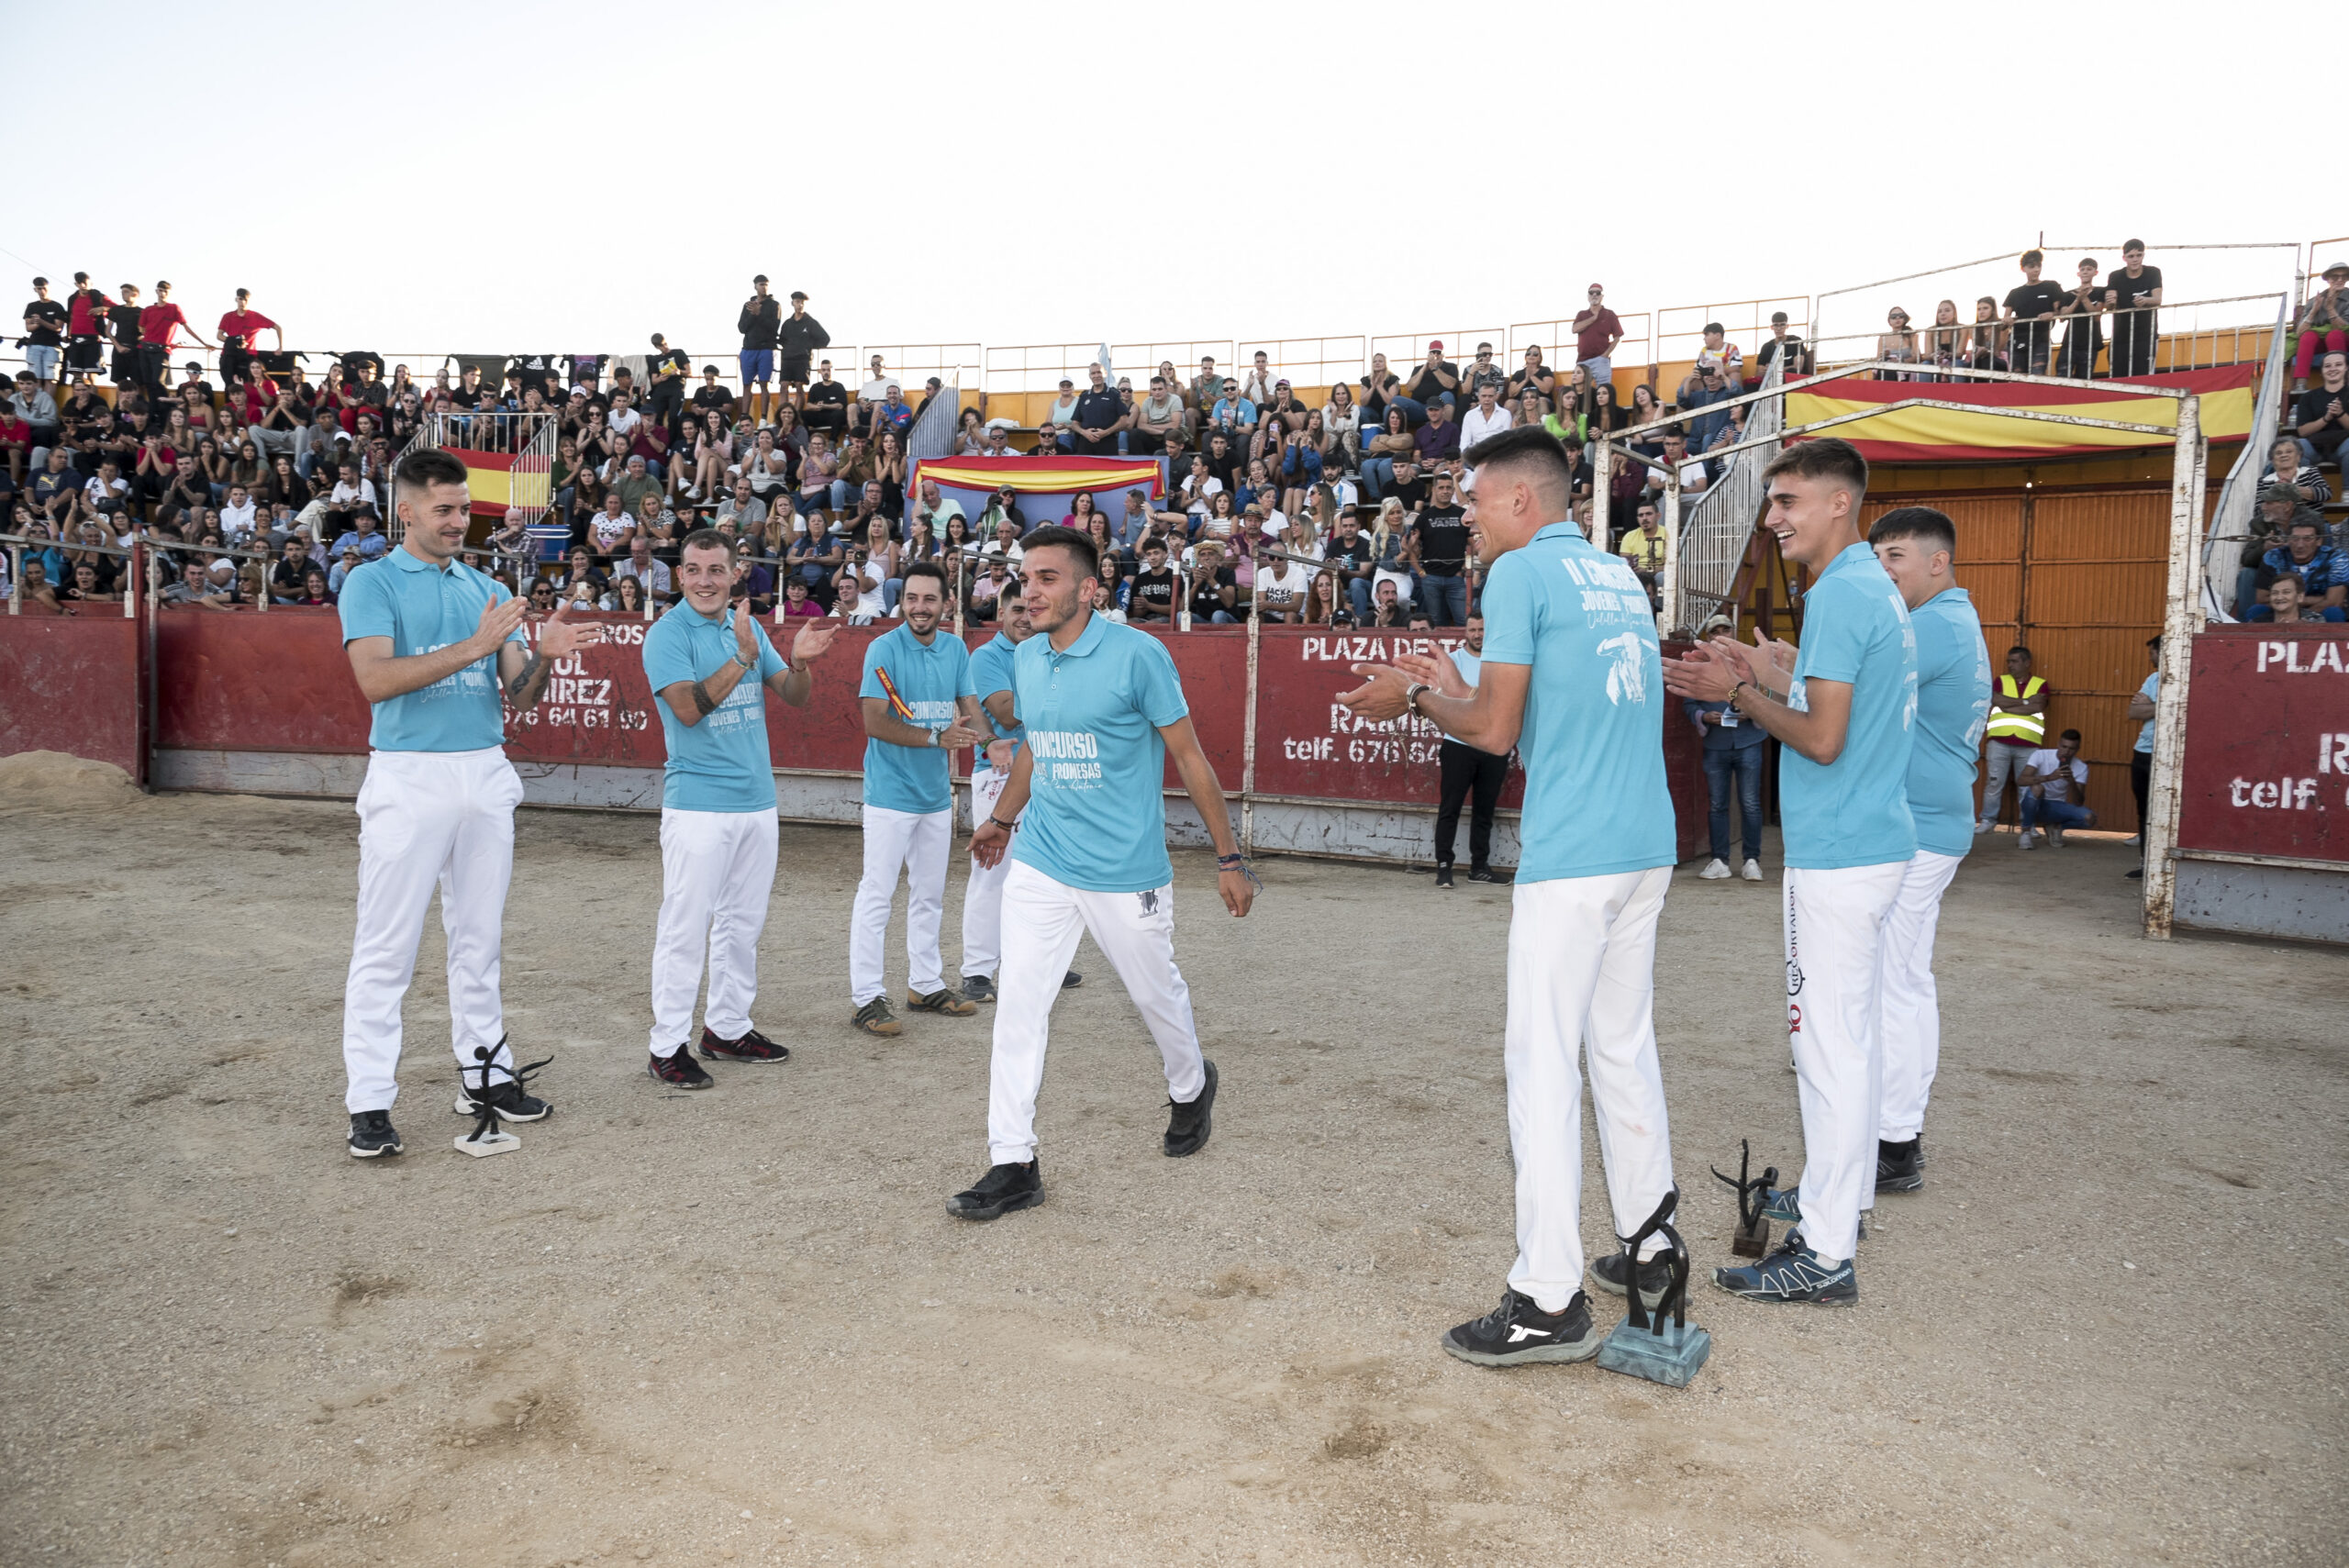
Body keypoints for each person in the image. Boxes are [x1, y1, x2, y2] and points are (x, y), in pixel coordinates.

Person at [1336, 426, 1679, 1364]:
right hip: (1643, 843)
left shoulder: (1521, 574)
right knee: (1620, 1049)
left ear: (1522, 499)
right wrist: (1460, 680)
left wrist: (1412, 699)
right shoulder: (1616, 577)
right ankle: (1652, 1246)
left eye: (1477, 502)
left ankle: (1545, 1296)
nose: (1467, 523)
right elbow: (1556, 701)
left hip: (1573, 857)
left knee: (1540, 1066)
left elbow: (1491, 733)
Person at [1662, 437, 1916, 1306]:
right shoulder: (1862, 589)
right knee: (1852, 1045)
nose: (1772, 519)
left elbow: (1821, 737)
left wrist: (1737, 695)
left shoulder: (1845, 592)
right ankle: (1833, 1208)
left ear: (1838, 503)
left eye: (1786, 501)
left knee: (1828, 1055)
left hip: (1842, 852)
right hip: (1869, 843)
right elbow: (1828, 702)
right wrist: (1763, 668)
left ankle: (1826, 1250)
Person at [950, 527, 1255, 1221]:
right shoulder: (1026, 658)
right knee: (1020, 1007)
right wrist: (1001, 819)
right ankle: (1013, 1161)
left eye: (1048, 578)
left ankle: (1189, 1085)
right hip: (1043, 859)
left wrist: (1229, 859)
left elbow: (1191, 757)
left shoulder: (1139, 656)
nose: (1030, 591)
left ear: (1089, 589)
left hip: (1125, 870)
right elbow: (1036, 749)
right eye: (1025, 577)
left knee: (1157, 997)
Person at [334, 448, 604, 1158]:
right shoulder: (371, 582)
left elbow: (520, 695)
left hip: (483, 770)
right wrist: (475, 643)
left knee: (479, 939)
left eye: (464, 509)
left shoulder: (482, 583)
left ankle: (485, 1075)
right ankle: (369, 1100)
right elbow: (375, 681)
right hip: (409, 775)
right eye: (445, 509)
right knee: (386, 947)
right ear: (408, 510)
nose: (459, 521)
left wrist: (543, 652)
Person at [638, 530, 838, 1090]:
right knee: (685, 928)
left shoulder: (742, 626)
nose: (705, 580)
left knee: (741, 926)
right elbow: (688, 711)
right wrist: (742, 657)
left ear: (735, 573)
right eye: (695, 569)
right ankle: (666, 1045)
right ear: (681, 576)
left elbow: (793, 696)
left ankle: (726, 1027)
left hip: (756, 802)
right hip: (698, 805)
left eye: (717, 570)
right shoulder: (667, 635)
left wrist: (797, 663)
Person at [1864, 507, 1991, 1199]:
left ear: (1937, 562)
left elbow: (1853, 688)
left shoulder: (1934, 625)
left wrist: (1767, 673)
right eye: (1879, 555)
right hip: (1931, 820)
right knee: (1904, 979)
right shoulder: (1948, 622)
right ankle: (1892, 1131)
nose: (1884, 569)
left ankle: (1896, 1139)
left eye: (1896, 556)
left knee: (1897, 983)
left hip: (1919, 826)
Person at [850, 562, 989, 1036]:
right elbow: (874, 721)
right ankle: (867, 997)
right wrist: (935, 739)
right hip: (889, 795)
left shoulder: (955, 648)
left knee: (928, 896)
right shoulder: (882, 648)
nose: (919, 607)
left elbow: (971, 710)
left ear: (945, 604)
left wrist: (994, 744)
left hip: (933, 796)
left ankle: (925, 984)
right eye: (912, 598)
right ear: (901, 600)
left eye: (929, 599)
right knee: (878, 895)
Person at [959, 585, 1082, 1004]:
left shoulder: (1045, 650)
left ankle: (1040, 961)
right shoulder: (987, 657)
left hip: (1048, 770)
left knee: (1045, 873)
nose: (1024, 619)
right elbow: (1009, 712)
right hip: (998, 772)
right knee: (992, 871)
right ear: (1000, 611)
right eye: (1016, 610)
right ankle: (977, 970)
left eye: (1031, 610)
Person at [1426, 614, 1510, 888]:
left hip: (1493, 743)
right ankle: (1443, 866)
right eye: (1473, 629)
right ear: (1465, 631)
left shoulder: (1502, 661)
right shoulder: (1453, 661)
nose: (1478, 634)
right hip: (1459, 744)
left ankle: (1479, 867)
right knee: (1450, 807)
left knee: (1485, 810)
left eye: (1482, 629)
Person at [1684, 615, 1768, 881]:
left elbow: (1768, 693)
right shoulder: (1698, 665)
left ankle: (1752, 860)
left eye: (1725, 630)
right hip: (1716, 743)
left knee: (1751, 803)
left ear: (1733, 632)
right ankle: (1719, 860)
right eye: (1715, 631)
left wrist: (1753, 710)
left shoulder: (1751, 662)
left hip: (1748, 740)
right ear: (1708, 637)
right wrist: (1703, 716)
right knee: (1718, 804)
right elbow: (1688, 704)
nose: (1721, 635)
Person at [1976, 646, 2047, 832]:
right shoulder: (2000, 681)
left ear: (2027, 663)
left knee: (2026, 786)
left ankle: (2027, 824)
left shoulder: (2040, 684)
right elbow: (1997, 700)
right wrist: (2025, 702)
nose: (2010, 665)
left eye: (2014, 661)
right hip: (1999, 741)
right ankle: (1988, 821)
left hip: (2028, 744)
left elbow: (2037, 707)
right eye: (2009, 661)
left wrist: (2010, 705)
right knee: (1994, 783)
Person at [2016, 729, 2096, 850]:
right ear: (2058, 744)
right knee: (2037, 788)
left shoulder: (2081, 767)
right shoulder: (2041, 755)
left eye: (2071, 749)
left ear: (2078, 749)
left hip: (2056, 806)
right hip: (2034, 804)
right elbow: (2021, 780)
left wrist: (2072, 782)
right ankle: (2026, 832)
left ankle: (2056, 828)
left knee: (2089, 819)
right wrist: (2049, 777)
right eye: (2064, 747)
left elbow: (2078, 802)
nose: (2066, 752)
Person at [2001, 250, 2067, 377]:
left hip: (2040, 338)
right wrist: (2007, 320)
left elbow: (2060, 311)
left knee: (2037, 375)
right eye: (2032, 266)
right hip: (2017, 339)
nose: (2036, 270)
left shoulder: (2051, 286)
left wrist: (2052, 314)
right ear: (2023, 269)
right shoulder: (2015, 292)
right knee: (2017, 377)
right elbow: (2005, 318)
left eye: (2039, 266)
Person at [2103, 241, 2162, 379]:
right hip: (2120, 336)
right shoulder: (2115, 276)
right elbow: (2109, 307)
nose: (2135, 259)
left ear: (2143, 255)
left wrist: (2145, 300)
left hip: (2146, 335)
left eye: (2138, 255)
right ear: (2124, 258)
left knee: (2143, 377)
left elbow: (2158, 299)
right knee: (2118, 377)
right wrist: (2110, 302)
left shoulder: (2153, 272)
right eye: (2131, 256)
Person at [2126, 637, 2159, 880]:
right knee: (2144, 811)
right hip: (2144, 753)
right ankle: (2145, 864)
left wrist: (2153, 705)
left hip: (2167, 755)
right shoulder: (2153, 680)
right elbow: (2134, 711)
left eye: (2153, 652)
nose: (2150, 657)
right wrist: (2164, 706)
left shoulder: (2187, 675)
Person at [774, 291, 829, 409]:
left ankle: (797, 416)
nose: (800, 305)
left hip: (802, 359)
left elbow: (825, 339)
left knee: (799, 386)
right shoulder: (787, 324)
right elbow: (782, 340)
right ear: (792, 303)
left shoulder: (811, 322)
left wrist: (808, 346)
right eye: (797, 302)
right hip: (787, 359)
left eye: (802, 302)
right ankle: (782, 415)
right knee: (783, 385)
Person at [737, 275, 781, 414]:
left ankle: (763, 418)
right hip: (748, 349)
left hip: (766, 349)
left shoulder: (775, 305)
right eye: (761, 284)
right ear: (755, 286)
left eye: (766, 284)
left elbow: (774, 327)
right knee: (746, 385)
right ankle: (744, 416)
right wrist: (753, 314)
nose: (764, 287)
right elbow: (741, 328)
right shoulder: (748, 305)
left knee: (764, 384)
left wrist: (760, 314)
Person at [1572, 284, 1623, 388]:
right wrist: (1593, 319)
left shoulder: (1610, 314)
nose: (1594, 295)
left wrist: (1605, 355)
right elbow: (1574, 329)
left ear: (1602, 296)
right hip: (1582, 361)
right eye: (1591, 293)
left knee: (1604, 392)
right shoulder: (1581, 314)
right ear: (1588, 296)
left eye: (1598, 293)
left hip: (1601, 360)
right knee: (1580, 391)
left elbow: (1617, 337)